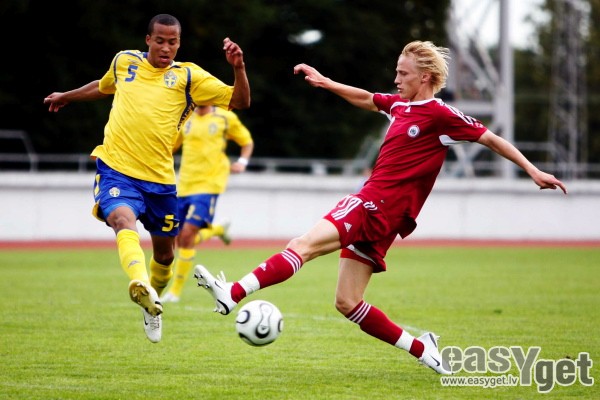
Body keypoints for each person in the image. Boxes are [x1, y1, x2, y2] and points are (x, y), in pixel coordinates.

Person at [193, 40, 568, 374]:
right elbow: (367, 98)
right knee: (347, 302)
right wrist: (326, 82)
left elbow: (491, 138)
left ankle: (234, 293)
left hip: (374, 204)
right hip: (385, 216)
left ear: (424, 77)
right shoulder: (400, 107)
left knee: (301, 245)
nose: (396, 79)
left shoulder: (440, 115)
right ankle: (423, 348)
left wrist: (533, 170)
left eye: (403, 73)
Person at [43, 14, 250, 343]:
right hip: (117, 168)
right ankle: (138, 281)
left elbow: (240, 101)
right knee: (121, 219)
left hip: (160, 181)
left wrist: (238, 68)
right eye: (160, 41)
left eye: (173, 42)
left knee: (165, 256)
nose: (166, 48)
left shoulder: (189, 77)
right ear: (148, 40)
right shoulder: (124, 61)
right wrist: (67, 95)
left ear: (179, 44)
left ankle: (151, 302)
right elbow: (103, 86)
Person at [160, 104, 254, 304]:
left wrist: (242, 162)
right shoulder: (185, 118)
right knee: (178, 240)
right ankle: (218, 229)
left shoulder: (225, 117)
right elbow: (171, 146)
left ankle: (175, 292)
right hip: (184, 185)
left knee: (187, 236)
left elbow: (246, 141)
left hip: (209, 184)